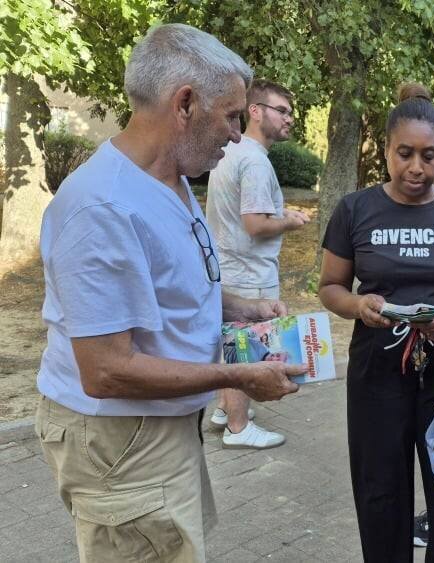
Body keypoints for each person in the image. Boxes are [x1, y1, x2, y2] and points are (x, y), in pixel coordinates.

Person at [34, 24, 305, 563]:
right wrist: (237, 377)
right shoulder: (101, 208)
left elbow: (165, 289)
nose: (236, 133)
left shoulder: (172, 181)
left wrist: (240, 308)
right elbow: (107, 370)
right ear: (184, 103)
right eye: (231, 115)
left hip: (155, 429)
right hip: (121, 439)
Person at [318, 83, 434, 563]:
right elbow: (331, 287)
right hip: (375, 371)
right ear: (385, 149)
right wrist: (359, 307)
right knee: (380, 486)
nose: (416, 168)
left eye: (429, 155)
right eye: (404, 153)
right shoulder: (354, 209)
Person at [206, 79, 310, 449]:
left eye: (290, 112)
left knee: (231, 345)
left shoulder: (231, 152)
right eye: (281, 110)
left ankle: (223, 409)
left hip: (228, 266)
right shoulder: (254, 161)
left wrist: (280, 213)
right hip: (249, 273)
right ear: (255, 111)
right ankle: (238, 427)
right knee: (244, 349)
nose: (290, 119)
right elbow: (254, 224)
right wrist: (290, 221)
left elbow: (244, 214)